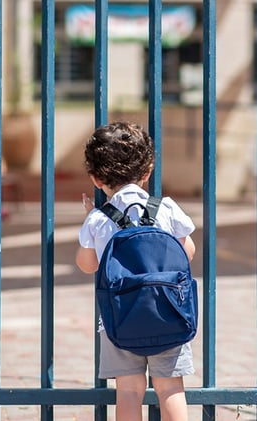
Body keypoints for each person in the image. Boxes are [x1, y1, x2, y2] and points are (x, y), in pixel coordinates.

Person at [75, 121, 196, 421]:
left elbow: (88, 264)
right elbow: (187, 252)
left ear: (95, 177)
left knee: (128, 391)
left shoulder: (98, 220)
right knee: (170, 390)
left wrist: (91, 220)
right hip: (169, 314)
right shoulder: (165, 208)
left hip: (119, 319)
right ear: (147, 172)